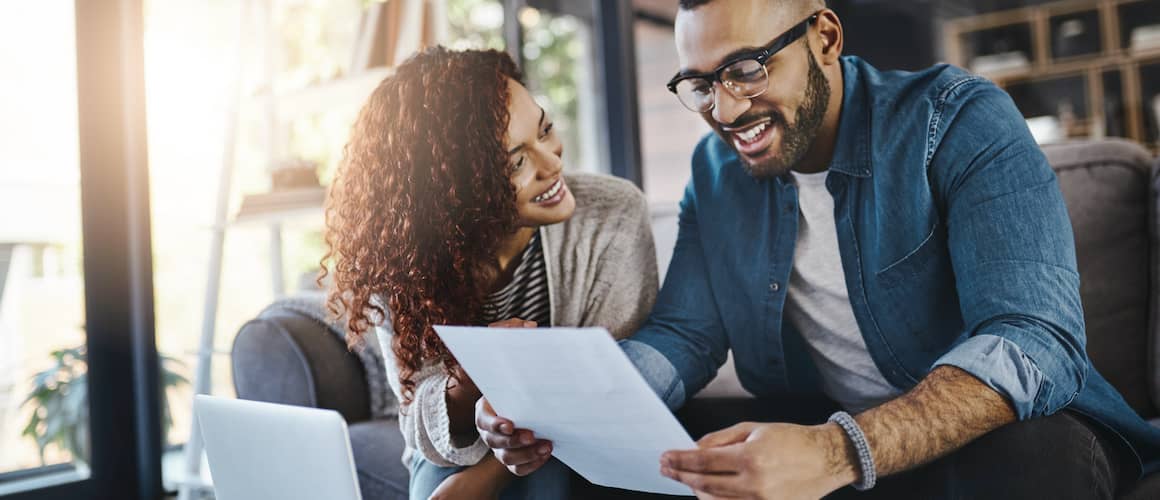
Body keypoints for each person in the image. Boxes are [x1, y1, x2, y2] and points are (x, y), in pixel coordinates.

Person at [476, 1, 1160, 498]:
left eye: (745, 68)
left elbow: (1033, 340)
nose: (726, 109)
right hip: (829, 427)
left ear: (824, 36)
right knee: (617, 464)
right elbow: (683, 335)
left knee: (1032, 459)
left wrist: (839, 452)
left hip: (1001, 434)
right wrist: (558, 412)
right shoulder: (715, 178)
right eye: (701, 84)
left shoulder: (957, 120)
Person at [320, 47, 658, 499]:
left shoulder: (612, 213)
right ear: (456, 191)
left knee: (541, 485)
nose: (553, 163)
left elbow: (608, 391)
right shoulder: (401, 260)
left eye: (546, 130)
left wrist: (483, 478)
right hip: (465, 442)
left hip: (585, 434)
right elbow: (418, 422)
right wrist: (467, 385)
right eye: (517, 163)